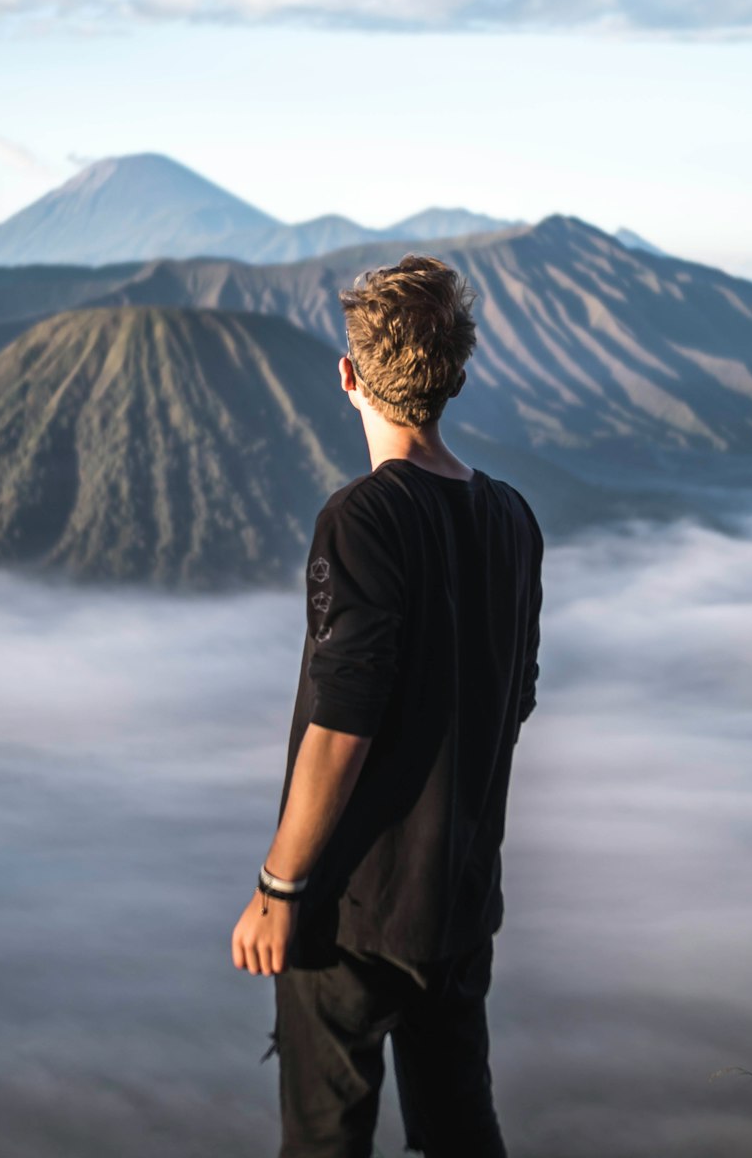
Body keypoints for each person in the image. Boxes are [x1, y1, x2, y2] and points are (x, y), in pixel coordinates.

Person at [230, 253, 544, 1158]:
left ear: (349, 375)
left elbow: (343, 724)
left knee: (326, 1140)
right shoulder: (512, 519)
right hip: (457, 908)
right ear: (457, 374)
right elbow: (511, 703)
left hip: (351, 919)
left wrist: (278, 888)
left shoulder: (361, 519)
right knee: (460, 1132)